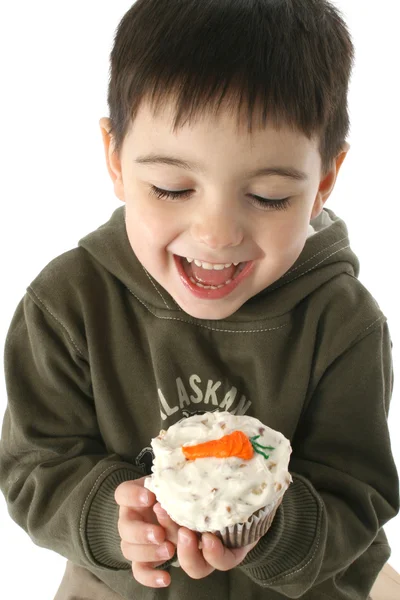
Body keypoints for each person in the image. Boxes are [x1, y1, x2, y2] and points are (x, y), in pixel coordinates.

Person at [0, 0, 399, 598]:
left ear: (321, 184)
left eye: (267, 197)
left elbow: (358, 492)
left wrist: (276, 529)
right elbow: (35, 469)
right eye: (170, 188)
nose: (217, 234)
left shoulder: (342, 323)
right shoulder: (68, 305)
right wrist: (113, 517)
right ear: (114, 157)